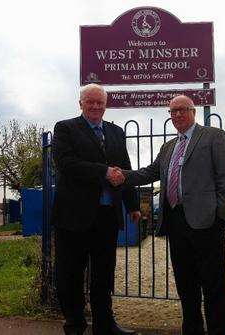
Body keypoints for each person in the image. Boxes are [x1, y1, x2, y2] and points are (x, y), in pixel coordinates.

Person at [109, 95, 225, 335]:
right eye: (173, 111)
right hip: (176, 222)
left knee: (213, 284)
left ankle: (218, 330)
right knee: (186, 285)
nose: (177, 115)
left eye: (182, 110)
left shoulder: (212, 137)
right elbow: (150, 172)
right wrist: (122, 175)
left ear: (193, 112)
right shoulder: (169, 147)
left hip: (207, 222)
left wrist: (218, 214)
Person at [51, 83, 141, 335]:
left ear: (106, 104)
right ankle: (75, 325)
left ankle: (105, 324)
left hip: (106, 216)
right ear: (81, 104)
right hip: (73, 217)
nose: (95, 106)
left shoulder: (116, 132)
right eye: (90, 102)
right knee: (71, 274)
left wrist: (132, 204)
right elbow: (66, 164)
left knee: (103, 274)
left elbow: (124, 168)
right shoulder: (65, 128)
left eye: (100, 102)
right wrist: (103, 172)